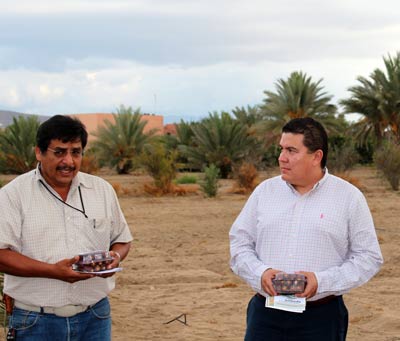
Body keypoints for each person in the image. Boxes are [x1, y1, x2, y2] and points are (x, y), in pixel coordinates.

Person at [229, 117, 383, 340]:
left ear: (316, 156)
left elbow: (368, 257)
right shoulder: (264, 192)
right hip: (265, 316)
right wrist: (260, 273)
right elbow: (240, 243)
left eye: (292, 150)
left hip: (322, 318)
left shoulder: (349, 198)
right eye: (281, 149)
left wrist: (321, 281)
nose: (282, 158)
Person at [0, 115, 133, 340]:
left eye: (76, 152)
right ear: (39, 152)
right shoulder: (13, 195)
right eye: (59, 152)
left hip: (96, 317)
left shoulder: (101, 190)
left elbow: (122, 239)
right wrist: (54, 272)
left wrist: (116, 257)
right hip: (35, 322)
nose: (69, 161)